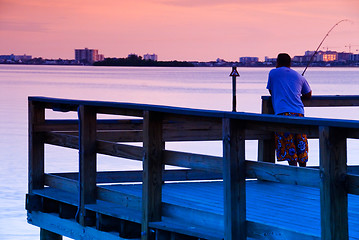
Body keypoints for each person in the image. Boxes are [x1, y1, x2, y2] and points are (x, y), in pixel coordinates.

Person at [266, 53, 312, 167]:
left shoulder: (273, 73)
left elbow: (271, 91)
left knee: (288, 146)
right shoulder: (299, 76)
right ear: (290, 63)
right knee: (301, 145)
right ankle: (303, 173)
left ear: (277, 62)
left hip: (283, 113)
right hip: (299, 113)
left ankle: (294, 174)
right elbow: (308, 94)